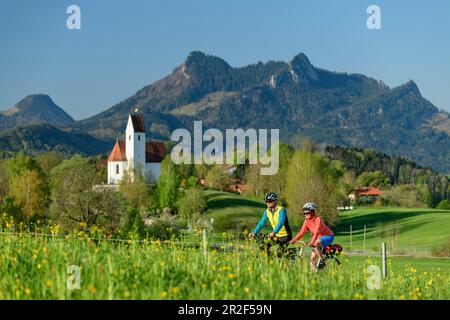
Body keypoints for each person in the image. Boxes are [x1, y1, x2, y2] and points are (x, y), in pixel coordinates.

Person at [289, 202, 334, 271]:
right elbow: (301, 232)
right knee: (312, 258)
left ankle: (323, 260)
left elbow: (316, 232)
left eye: (308, 213)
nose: (306, 215)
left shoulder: (318, 220)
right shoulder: (306, 221)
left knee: (316, 243)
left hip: (328, 236)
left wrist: (311, 242)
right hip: (318, 238)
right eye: (304, 213)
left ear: (313, 212)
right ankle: (313, 274)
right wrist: (294, 240)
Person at [249, 192, 292, 257]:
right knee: (263, 246)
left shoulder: (281, 210)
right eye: (267, 201)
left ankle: (285, 259)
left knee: (279, 253)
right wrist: (254, 233)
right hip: (276, 235)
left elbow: (281, 222)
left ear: (275, 201)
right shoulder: (267, 211)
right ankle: (270, 261)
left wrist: (274, 232)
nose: (268, 203)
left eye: (270, 201)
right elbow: (261, 223)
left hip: (285, 236)